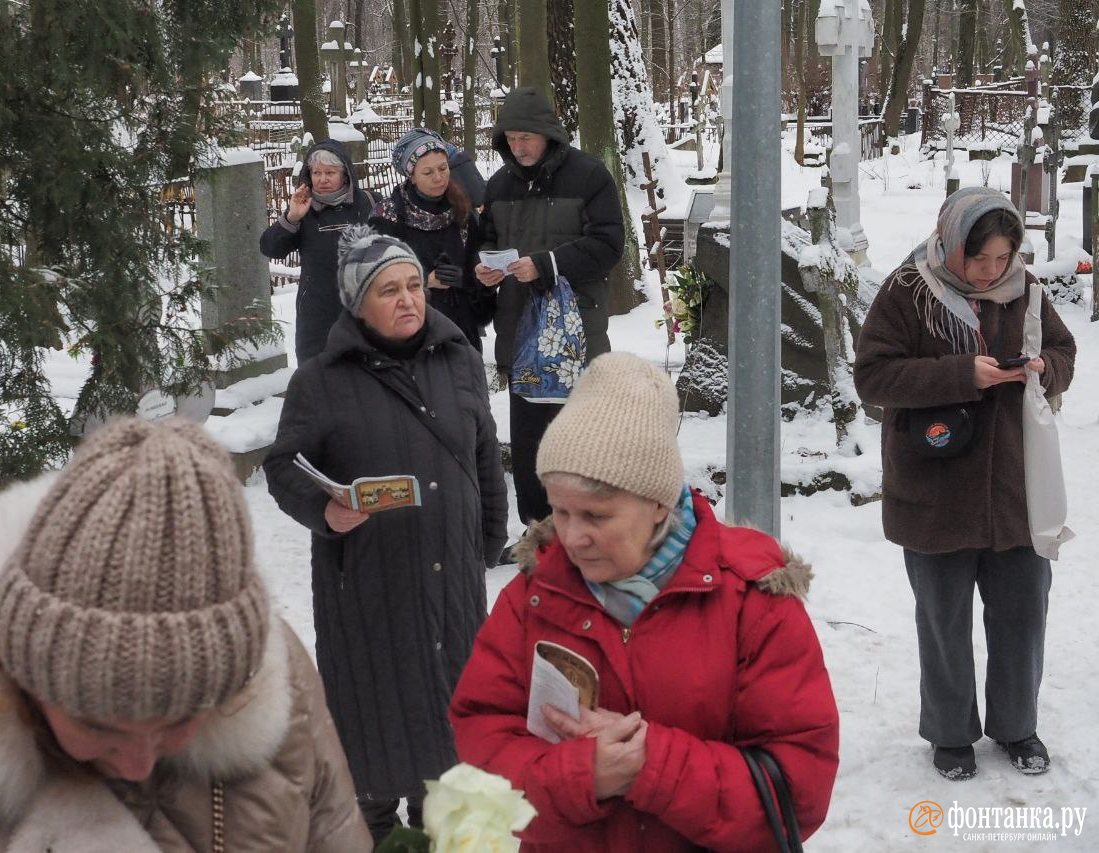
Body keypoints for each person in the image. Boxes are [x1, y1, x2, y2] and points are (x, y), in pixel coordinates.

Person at [0, 418, 371, 851]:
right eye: (97, 723)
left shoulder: (283, 683)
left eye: (179, 720)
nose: (138, 762)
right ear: (17, 670)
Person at [449, 352, 839, 851]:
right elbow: (482, 746)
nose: (572, 537)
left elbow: (798, 786)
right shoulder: (534, 593)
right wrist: (581, 776)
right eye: (560, 511)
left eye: (595, 515)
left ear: (657, 502)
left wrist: (652, 767)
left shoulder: (751, 597)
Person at [263, 225, 508, 845]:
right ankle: (367, 828)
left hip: (451, 579)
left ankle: (438, 830)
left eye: (412, 286)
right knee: (371, 721)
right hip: (367, 581)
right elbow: (284, 465)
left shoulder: (460, 361)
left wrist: (484, 544)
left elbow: (484, 460)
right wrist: (326, 511)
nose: (408, 300)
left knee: (449, 728)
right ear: (356, 304)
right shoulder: (319, 381)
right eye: (388, 291)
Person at [854, 187, 1075, 781]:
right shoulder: (907, 291)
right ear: (951, 241)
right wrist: (959, 375)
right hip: (934, 491)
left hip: (1016, 490)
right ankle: (951, 734)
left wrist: (1044, 368)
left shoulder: (1024, 290)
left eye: (1002, 258)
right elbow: (872, 377)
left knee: (1023, 611)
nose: (991, 271)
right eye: (979, 259)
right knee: (943, 618)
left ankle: (1016, 725)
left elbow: (1063, 348)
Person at [473, 86, 624, 526]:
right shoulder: (499, 185)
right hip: (521, 333)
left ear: (548, 134)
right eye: (511, 138)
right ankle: (538, 533)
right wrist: (486, 267)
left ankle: (589, 531)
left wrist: (548, 264)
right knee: (530, 442)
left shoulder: (590, 176)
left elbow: (608, 244)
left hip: (578, 332)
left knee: (583, 439)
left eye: (527, 137)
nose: (519, 147)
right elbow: (486, 239)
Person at [370, 127, 495, 351]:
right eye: (428, 173)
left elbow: (478, 268)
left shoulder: (463, 211)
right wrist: (424, 281)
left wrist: (471, 276)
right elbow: (373, 279)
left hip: (461, 333)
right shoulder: (388, 218)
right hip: (410, 337)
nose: (438, 178)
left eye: (443, 168)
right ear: (412, 176)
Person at [259, 139, 377, 363]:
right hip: (317, 315)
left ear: (345, 174)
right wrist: (292, 217)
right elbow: (270, 248)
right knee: (317, 384)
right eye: (316, 172)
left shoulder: (369, 203)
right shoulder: (304, 209)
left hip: (364, 311)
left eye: (330, 172)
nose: (322, 179)